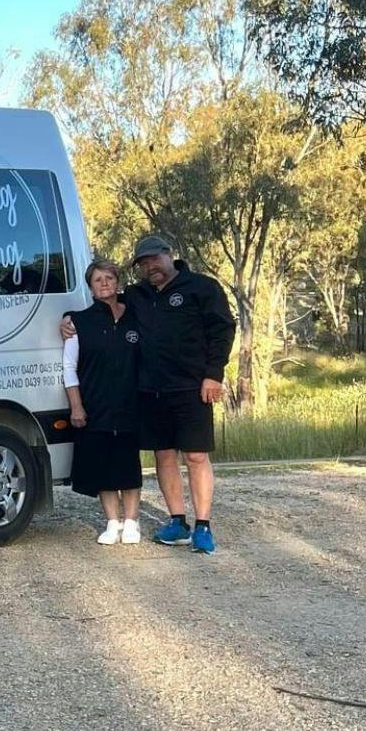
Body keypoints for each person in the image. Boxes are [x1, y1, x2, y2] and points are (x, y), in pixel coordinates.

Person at [61, 234, 235, 553]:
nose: (150, 265)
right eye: (143, 262)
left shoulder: (201, 288)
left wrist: (214, 375)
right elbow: (104, 305)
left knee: (195, 456)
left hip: (192, 388)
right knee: (164, 455)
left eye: (155, 258)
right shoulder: (138, 295)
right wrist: (67, 321)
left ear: (170, 255)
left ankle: (203, 526)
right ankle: (177, 522)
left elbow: (223, 330)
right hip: (151, 392)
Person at [62, 259, 144, 544]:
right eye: (98, 279)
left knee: (128, 465)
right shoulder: (78, 323)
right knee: (104, 466)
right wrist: (76, 406)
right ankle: (112, 522)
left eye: (109, 277)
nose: (105, 283)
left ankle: (132, 522)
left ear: (117, 281)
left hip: (131, 404)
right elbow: (69, 368)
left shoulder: (136, 318)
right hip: (95, 405)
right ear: (91, 287)